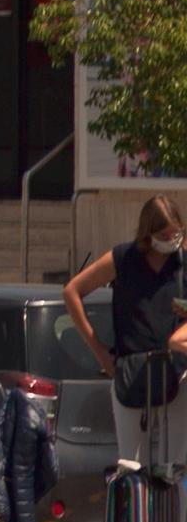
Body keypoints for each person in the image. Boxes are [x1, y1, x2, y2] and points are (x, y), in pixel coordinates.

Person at [70, 192, 187, 490]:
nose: (172, 240)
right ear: (148, 233)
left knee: (174, 471)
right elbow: (72, 291)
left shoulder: (183, 262)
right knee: (134, 469)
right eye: (164, 234)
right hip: (131, 374)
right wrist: (100, 352)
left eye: (177, 232)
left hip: (176, 375)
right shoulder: (123, 259)